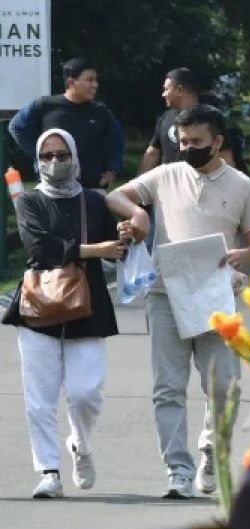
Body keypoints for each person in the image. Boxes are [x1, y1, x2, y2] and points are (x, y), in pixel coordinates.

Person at [105, 104, 250, 499]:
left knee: (224, 385)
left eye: (197, 142)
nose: (188, 148)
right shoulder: (165, 175)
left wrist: (244, 256)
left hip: (217, 294)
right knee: (168, 387)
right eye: (182, 142)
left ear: (217, 142)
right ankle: (178, 470)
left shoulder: (243, 186)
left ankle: (210, 447)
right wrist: (137, 215)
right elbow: (115, 196)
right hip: (165, 293)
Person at [2, 129, 124, 499]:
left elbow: (115, 247)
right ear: (38, 160)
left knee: (87, 394)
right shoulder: (30, 201)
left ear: (74, 156)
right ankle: (49, 471)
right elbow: (40, 248)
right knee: (39, 396)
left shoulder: (94, 201)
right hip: (39, 305)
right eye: (47, 156)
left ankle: (80, 445)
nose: (55, 162)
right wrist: (92, 250)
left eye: (62, 154)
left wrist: (126, 233)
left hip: (88, 305)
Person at [8, 58, 124, 190]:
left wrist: (113, 171)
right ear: (71, 82)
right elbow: (16, 126)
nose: (95, 85)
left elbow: (117, 140)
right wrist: (40, 152)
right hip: (52, 189)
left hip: (92, 189)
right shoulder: (44, 105)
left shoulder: (101, 112)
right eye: (89, 80)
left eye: (96, 80)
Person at [139, 68, 235, 173]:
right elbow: (152, 153)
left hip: (203, 185)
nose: (163, 94)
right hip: (170, 186)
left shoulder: (211, 117)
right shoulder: (165, 118)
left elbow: (225, 155)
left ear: (179, 90)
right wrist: (138, 184)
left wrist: (228, 184)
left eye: (166, 89)